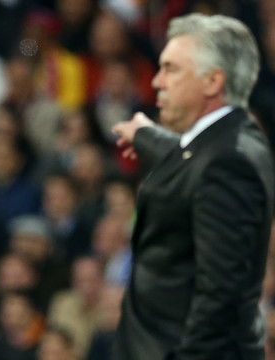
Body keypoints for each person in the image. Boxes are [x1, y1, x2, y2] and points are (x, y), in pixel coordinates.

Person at [111, 14, 274, 360]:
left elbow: (221, 299)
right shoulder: (225, 142)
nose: (157, 81)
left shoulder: (229, 164)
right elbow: (194, 161)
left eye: (171, 69)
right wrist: (146, 136)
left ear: (213, 81)